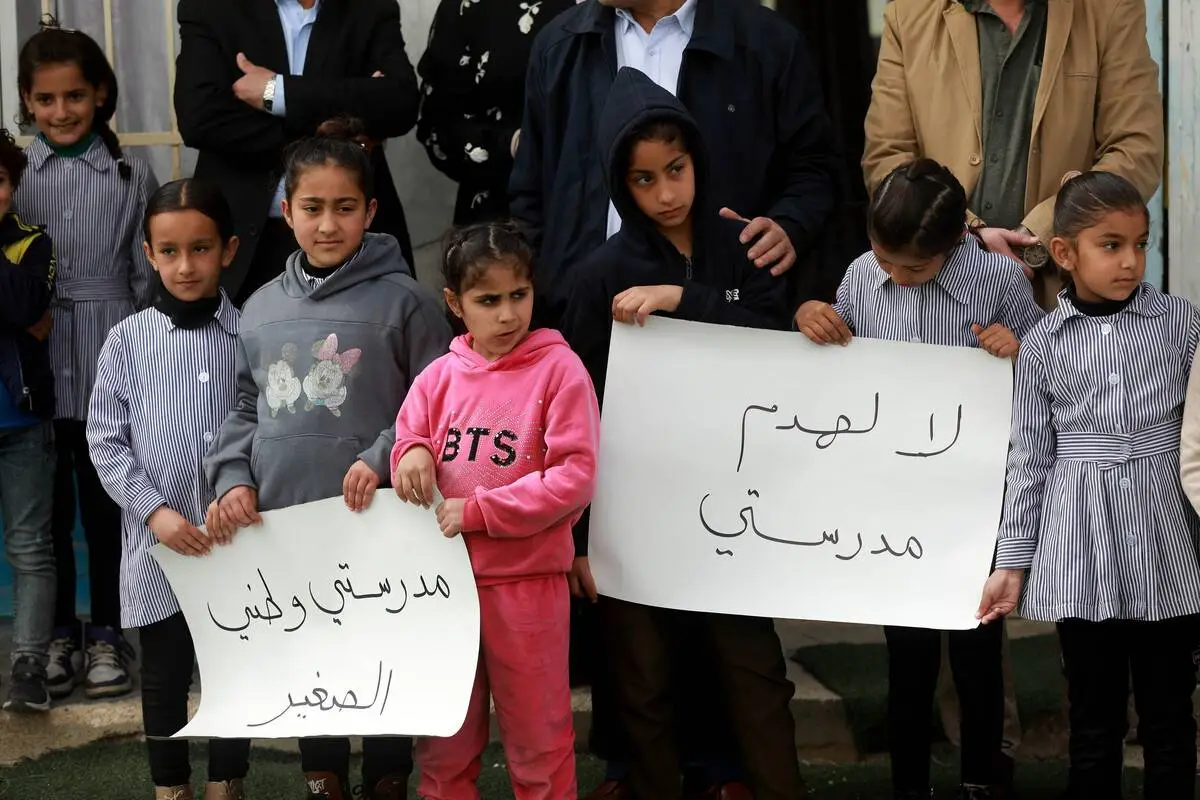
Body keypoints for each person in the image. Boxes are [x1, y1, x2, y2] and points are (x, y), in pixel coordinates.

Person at [562, 67, 795, 800]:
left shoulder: (743, 244)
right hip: (634, 513)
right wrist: (577, 538)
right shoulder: (598, 274)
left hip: (737, 506)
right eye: (643, 180)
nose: (666, 192)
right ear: (617, 185)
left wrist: (683, 300)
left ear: (697, 158)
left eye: (677, 170)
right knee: (642, 680)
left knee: (754, 670)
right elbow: (572, 406)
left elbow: (776, 342)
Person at [203, 131, 452, 800]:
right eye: (311, 207)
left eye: (345, 207)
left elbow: (439, 405)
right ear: (286, 211)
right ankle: (323, 776)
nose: (327, 223)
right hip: (290, 527)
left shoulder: (408, 304)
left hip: (383, 526)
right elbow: (244, 410)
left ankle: (387, 776)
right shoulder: (258, 309)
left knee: (383, 652)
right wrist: (234, 480)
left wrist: (382, 458)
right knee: (312, 654)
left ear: (371, 211)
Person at [797, 159, 1043, 800]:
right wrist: (810, 316)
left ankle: (981, 777)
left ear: (955, 242)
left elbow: (1049, 355)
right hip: (895, 507)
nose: (897, 278)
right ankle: (908, 782)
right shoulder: (861, 275)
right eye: (886, 261)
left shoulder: (997, 279)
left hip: (974, 501)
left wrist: (1019, 346)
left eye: (914, 268)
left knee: (977, 655)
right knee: (906, 656)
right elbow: (827, 342)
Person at [979, 171, 1200, 800]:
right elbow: (1028, 459)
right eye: (1110, 245)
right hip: (1081, 547)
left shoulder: (1183, 326)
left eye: (1139, 243)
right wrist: (1013, 564)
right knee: (1094, 720)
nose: (1131, 260)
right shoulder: (1042, 344)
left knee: (1168, 717)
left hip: (1166, 546)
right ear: (1065, 254)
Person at [392, 220, 599, 799]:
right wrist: (411, 453)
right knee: (445, 746)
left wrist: (479, 511)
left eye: (518, 296)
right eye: (488, 301)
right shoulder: (438, 376)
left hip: (528, 587)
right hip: (444, 591)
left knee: (539, 742)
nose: (507, 315)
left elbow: (575, 479)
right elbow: (409, 436)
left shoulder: (561, 371)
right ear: (456, 304)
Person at [509, 0, 841, 330]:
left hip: (728, 323)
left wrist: (789, 224)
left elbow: (815, 167)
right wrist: (547, 292)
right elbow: (530, 194)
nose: (665, 194)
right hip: (586, 320)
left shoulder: (766, 41)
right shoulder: (558, 45)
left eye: (676, 170)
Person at [87, 179, 251, 800]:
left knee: (233, 664)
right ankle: (170, 786)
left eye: (201, 248)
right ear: (150, 255)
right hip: (160, 540)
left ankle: (225, 782)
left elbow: (268, 425)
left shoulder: (250, 336)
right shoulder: (126, 342)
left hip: (237, 536)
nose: (186, 266)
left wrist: (243, 493)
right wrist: (154, 512)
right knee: (164, 672)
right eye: (170, 251)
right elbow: (105, 440)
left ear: (228, 249)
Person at [14, 19, 157, 703]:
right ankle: (60, 635)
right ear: (26, 103)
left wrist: (138, 356)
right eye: (45, 100)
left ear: (100, 94)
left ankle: (107, 630)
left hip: (108, 352)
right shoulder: (18, 176)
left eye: (74, 96)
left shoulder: (131, 173)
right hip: (36, 361)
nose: (61, 112)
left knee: (107, 505)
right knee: (49, 506)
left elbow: (143, 274)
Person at [863, 0, 1163, 309]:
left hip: (1063, 293)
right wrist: (966, 230)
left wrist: (1040, 232)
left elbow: (1137, 149)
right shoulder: (909, 11)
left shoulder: (1109, 9)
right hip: (939, 293)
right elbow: (887, 159)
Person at [174, 0, 422, 305]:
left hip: (351, 240)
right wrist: (340, 124)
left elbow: (400, 104)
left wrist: (276, 92)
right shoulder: (213, 7)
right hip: (245, 241)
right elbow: (198, 119)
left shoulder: (367, 7)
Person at [417, 0, 576, 225]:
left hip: (613, 207)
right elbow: (437, 126)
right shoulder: (470, 7)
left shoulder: (620, 8)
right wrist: (514, 143)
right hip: (505, 218)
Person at [0, 127, 57, 714]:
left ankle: (29, 667)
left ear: (12, 185)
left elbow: (26, 305)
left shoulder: (31, 241)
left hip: (21, 421)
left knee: (30, 546)